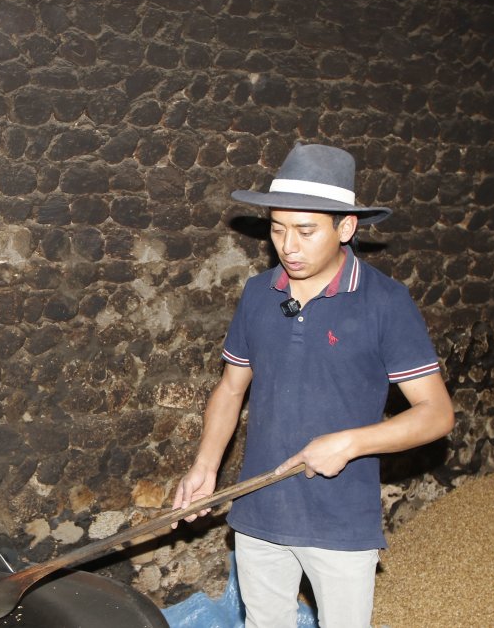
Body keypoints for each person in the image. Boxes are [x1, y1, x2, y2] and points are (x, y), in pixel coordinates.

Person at [171, 142, 455, 628]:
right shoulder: (259, 294)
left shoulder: (385, 302)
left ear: (346, 228)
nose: (288, 247)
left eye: (306, 231)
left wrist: (350, 443)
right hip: (259, 509)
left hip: (340, 520)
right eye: (278, 229)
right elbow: (231, 389)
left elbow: (436, 413)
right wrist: (205, 465)